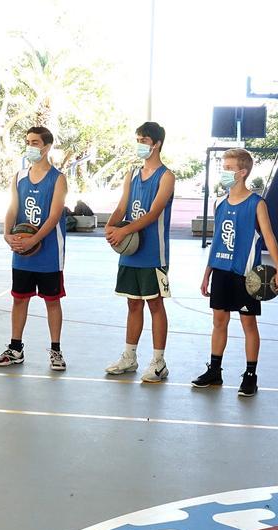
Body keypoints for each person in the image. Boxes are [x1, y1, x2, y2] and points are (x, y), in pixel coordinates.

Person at [192, 148, 278, 396]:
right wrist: (207, 273)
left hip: (247, 276)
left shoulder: (257, 204)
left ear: (242, 172)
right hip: (221, 271)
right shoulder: (219, 203)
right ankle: (214, 371)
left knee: (248, 324)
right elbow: (216, 241)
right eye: (223, 167)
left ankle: (250, 375)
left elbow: (269, 237)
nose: (224, 172)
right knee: (219, 322)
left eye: (228, 168)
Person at [0, 126, 69, 371]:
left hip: (48, 253)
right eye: (27, 142)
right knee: (19, 300)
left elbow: (55, 215)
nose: (30, 146)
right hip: (22, 250)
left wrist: (34, 240)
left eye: (34, 142)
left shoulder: (58, 179)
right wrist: (7, 233)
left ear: (46, 147)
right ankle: (15, 348)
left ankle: (55, 350)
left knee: (52, 301)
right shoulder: (19, 176)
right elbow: (12, 209)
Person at [104, 122, 176, 382]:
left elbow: (155, 213)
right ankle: (129, 356)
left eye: (143, 140)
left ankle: (158, 362)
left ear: (156, 143)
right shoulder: (132, 174)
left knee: (155, 304)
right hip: (130, 251)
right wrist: (112, 226)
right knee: (132, 304)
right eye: (137, 139)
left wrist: (124, 231)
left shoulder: (166, 176)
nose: (139, 144)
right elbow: (122, 206)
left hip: (153, 253)